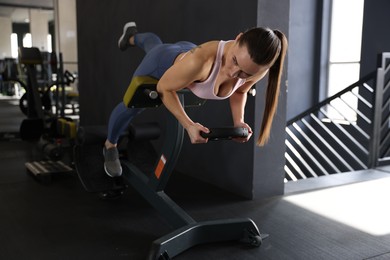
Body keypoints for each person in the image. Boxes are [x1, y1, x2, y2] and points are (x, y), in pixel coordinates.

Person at [103, 22, 288, 177]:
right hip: (162, 63)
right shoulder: (201, 62)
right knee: (133, 105)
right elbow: (164, 88)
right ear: (238, 38)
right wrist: (189, 125)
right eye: (234, 61)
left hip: (186, 53)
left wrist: (238, 120)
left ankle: (131, 36)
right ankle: (110, 145)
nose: (234, 73)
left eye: (244, 73)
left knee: (156, 45)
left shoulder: (257, 69)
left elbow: (240, 92)